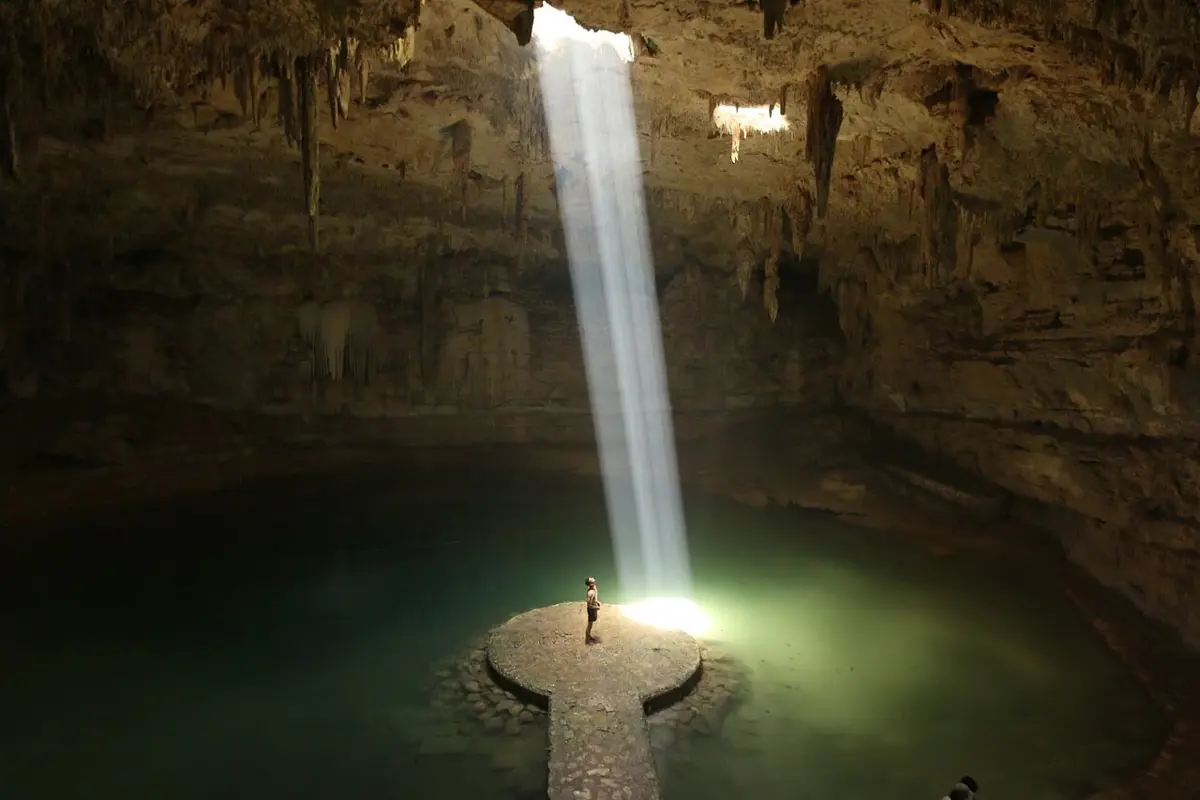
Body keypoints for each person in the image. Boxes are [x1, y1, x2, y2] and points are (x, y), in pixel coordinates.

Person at [585, 576, 601, 644]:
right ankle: (587, 639)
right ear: (590, 583)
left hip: (593, 607)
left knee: (591, 624)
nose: (593, 578)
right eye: (591, 579)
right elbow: (589, 605)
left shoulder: (593, 588)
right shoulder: (591, 593)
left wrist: (596, 601)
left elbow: (595, 597)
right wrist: (596, 608)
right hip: (591, 609)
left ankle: (589, 636)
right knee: (590, 625)